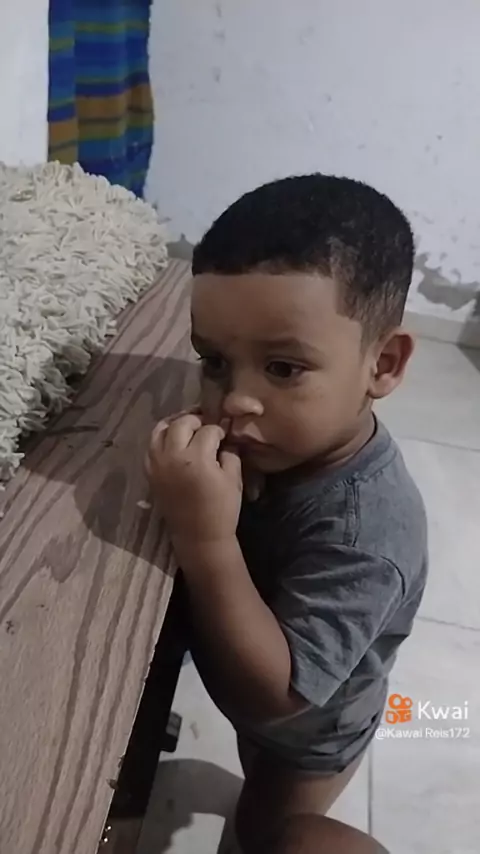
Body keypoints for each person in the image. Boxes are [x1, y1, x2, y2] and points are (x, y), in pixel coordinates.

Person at [146, 174, 428, 853]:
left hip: (307, 738)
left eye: (282, 368)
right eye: (215, 361)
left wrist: (205, 537)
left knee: (262, 833)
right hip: (253, 676)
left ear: (383, 364)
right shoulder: (276, 442)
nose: (236, 401)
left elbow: (277, 697)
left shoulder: (367, 534)